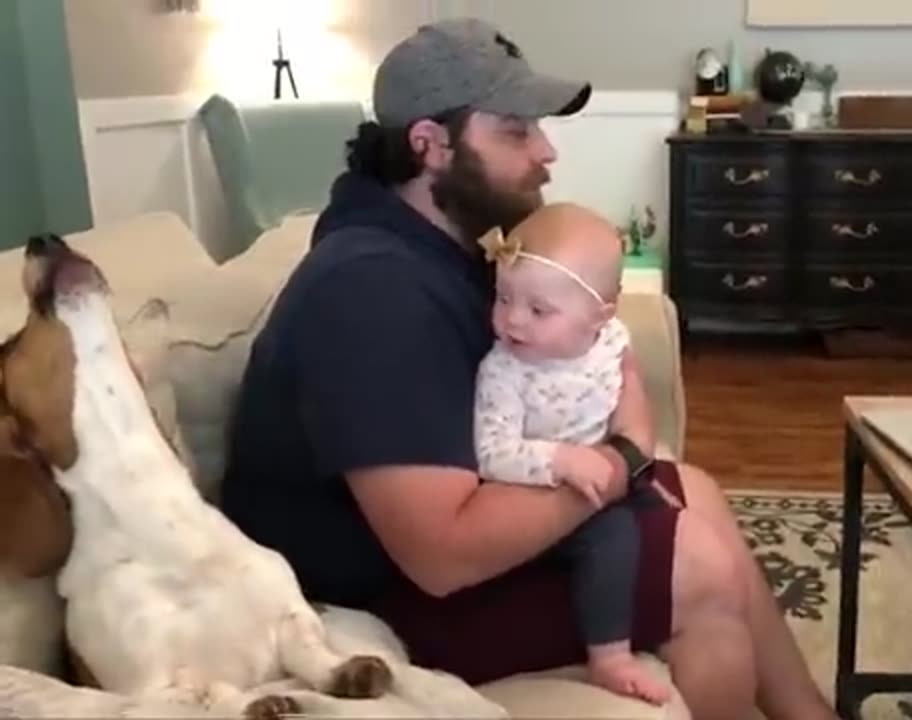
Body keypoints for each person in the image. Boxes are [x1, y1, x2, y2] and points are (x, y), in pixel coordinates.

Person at [217, 17, 837, 720]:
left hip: (422, 550)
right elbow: (440, 555)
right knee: (700, 569)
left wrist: (625, 442)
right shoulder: (371, 290)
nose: (546, 151)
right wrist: (619, 459)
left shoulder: (436, 247)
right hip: (370, 596)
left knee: (696, 494)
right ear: (430, 145)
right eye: (515, 131)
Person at [471, 203, 670, 704]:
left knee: (684, 517)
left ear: (600, 316)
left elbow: (629, 413)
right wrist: (560, 460)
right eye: (503, 298)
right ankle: (609, 655)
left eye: (539, 310)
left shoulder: (611, 342)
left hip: (606, 475)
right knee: (614, 537)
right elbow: (492, 453)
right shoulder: (504, 372)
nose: (513, 320)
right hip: (533, 499)